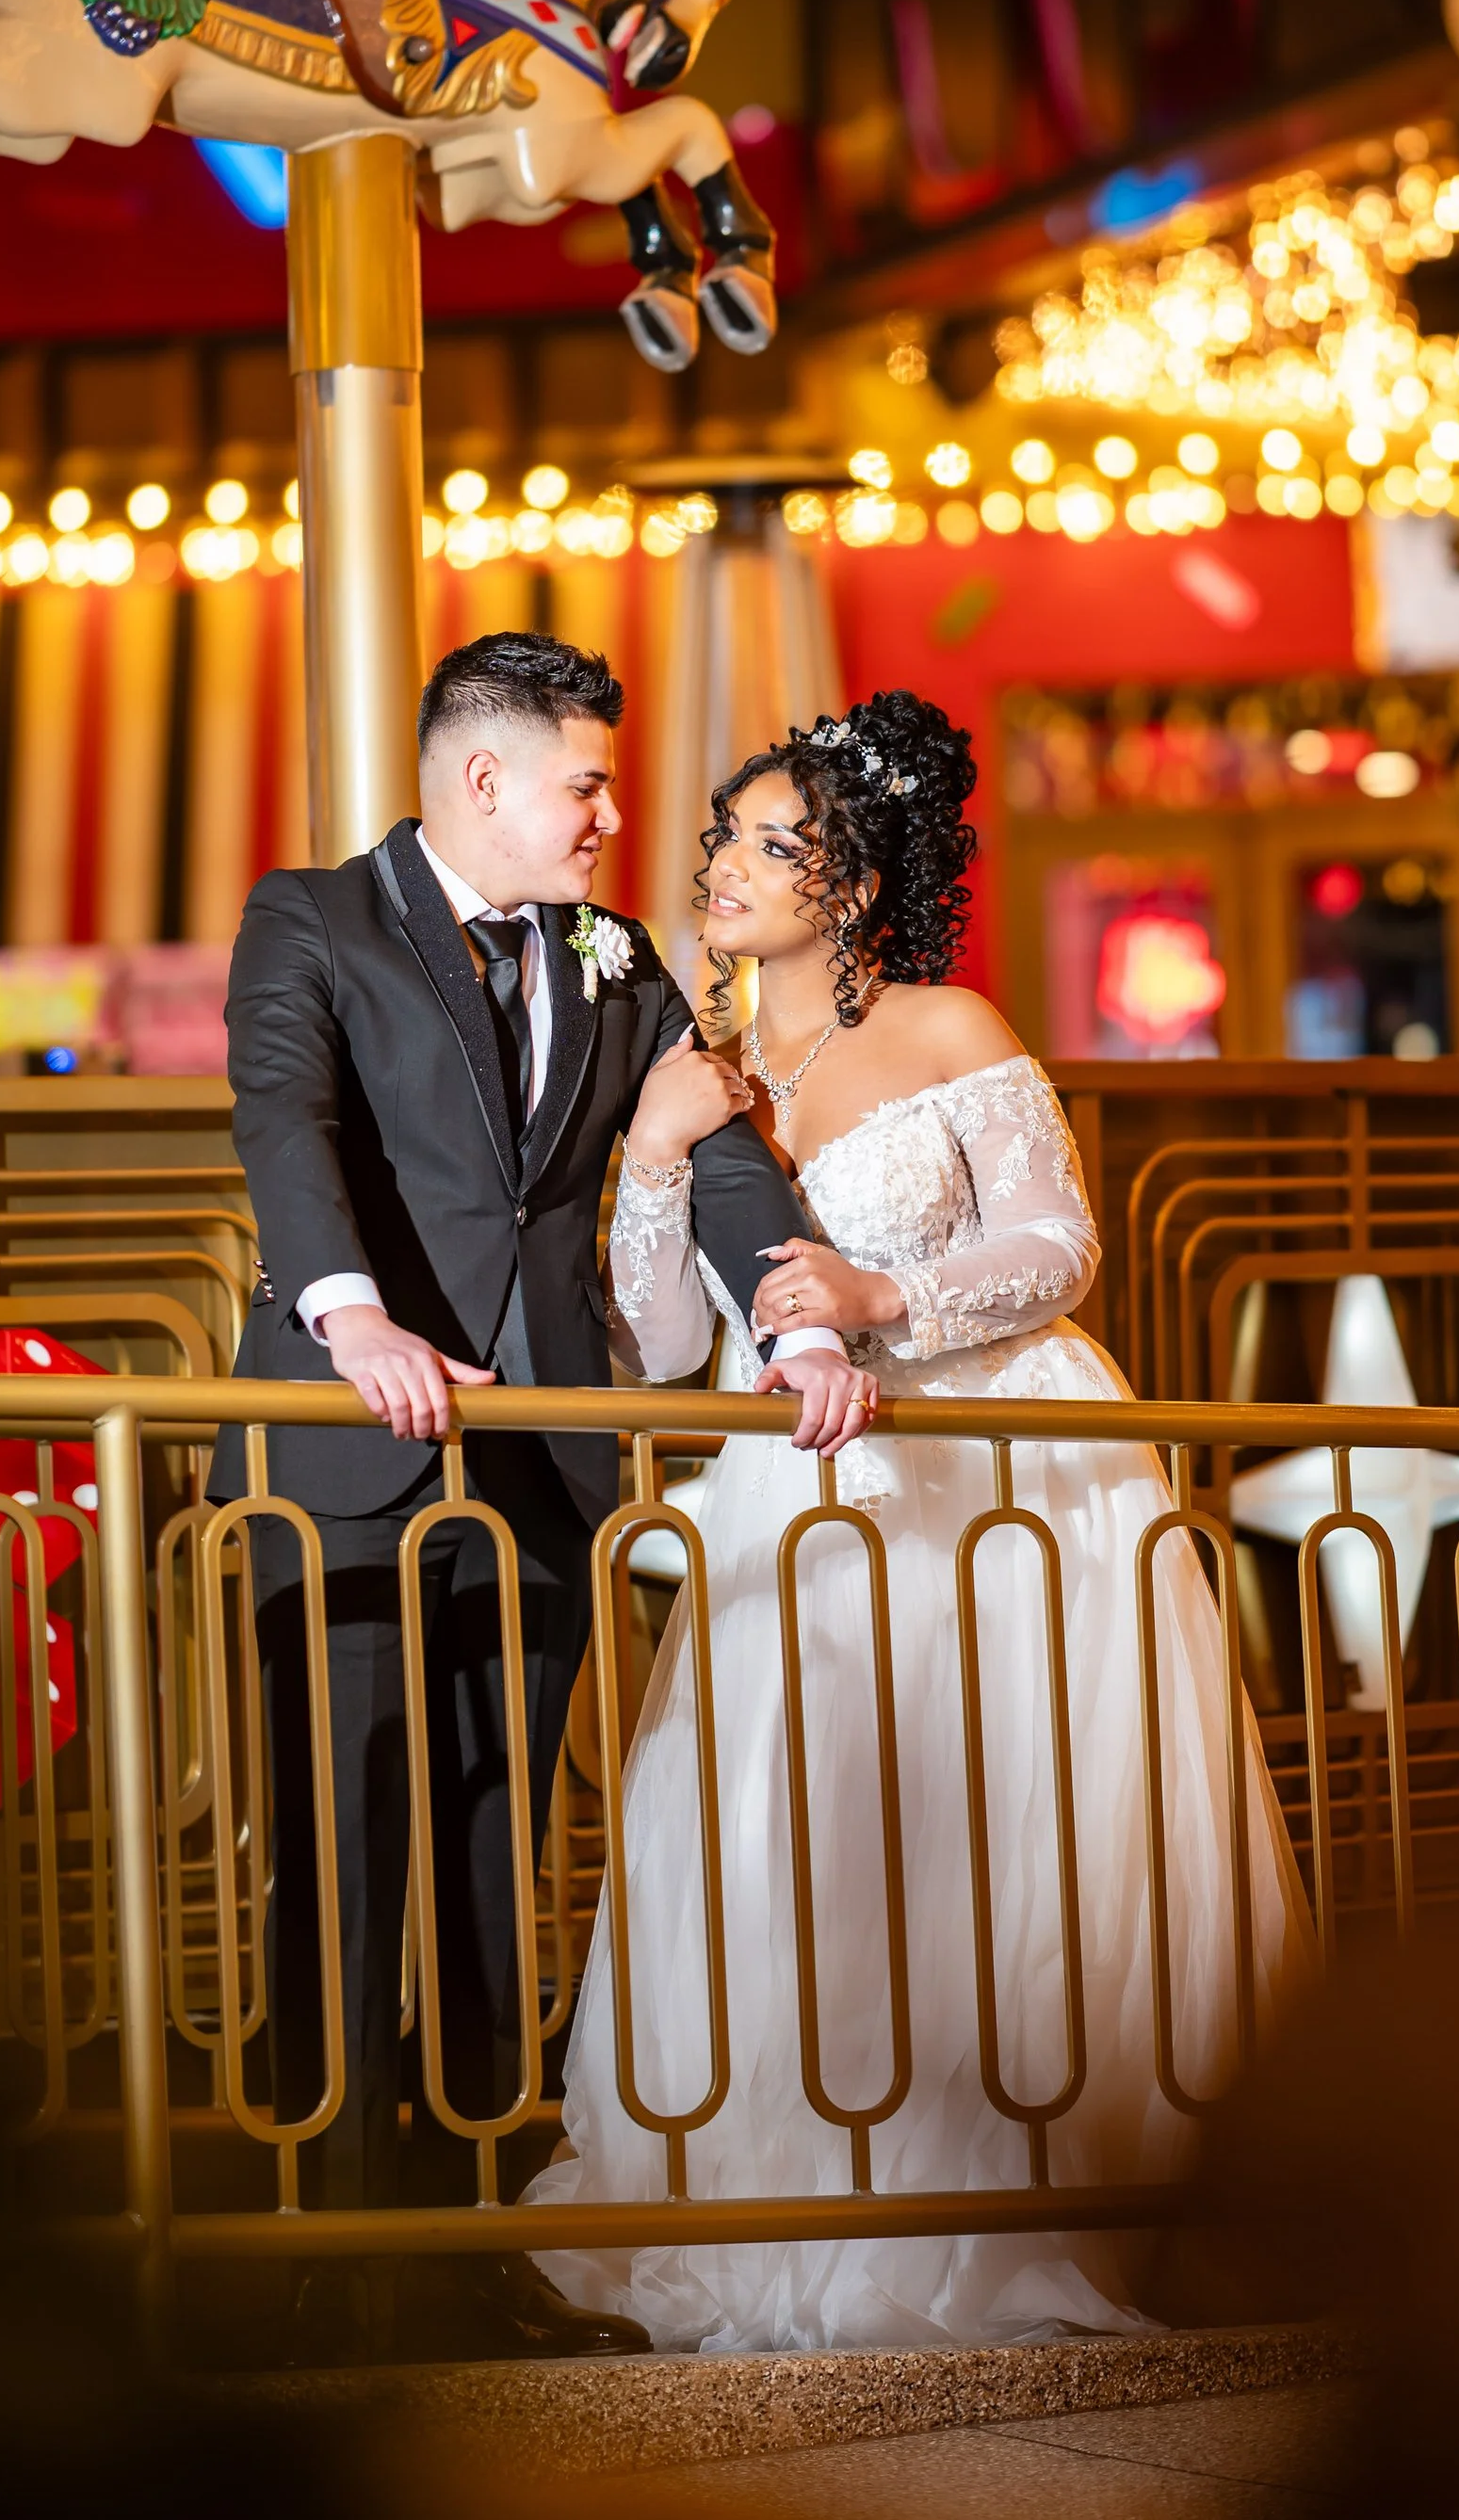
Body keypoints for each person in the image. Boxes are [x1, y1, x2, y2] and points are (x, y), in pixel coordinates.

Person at [526, 690, 1312, 2351]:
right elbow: (670, 1344)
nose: (719, 861)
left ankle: (1019, 2183)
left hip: (998, 1483)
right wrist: (659, 1158)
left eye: (761, 837)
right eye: (721, 834)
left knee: (992, 1833)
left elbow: (1059, 1243)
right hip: (796, 1491)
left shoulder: (952, 1028)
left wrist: (889, 1288)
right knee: (796, 1833)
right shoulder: (704, 1060)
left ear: (855, 879)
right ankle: (792, 2182)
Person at [212, 631, 859, 2360]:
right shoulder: (311, 920)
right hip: (340, 1469)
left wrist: (789, 1312)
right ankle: (313, 2250)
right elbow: (284, 1119)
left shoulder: (618, 950)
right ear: (483, 780)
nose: (608, 818)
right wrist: (350, 1314)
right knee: (343, 1859)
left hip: (542, 1467)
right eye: (584, 784)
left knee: (505, 1856)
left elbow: (714, 1143)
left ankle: (478, 2232)